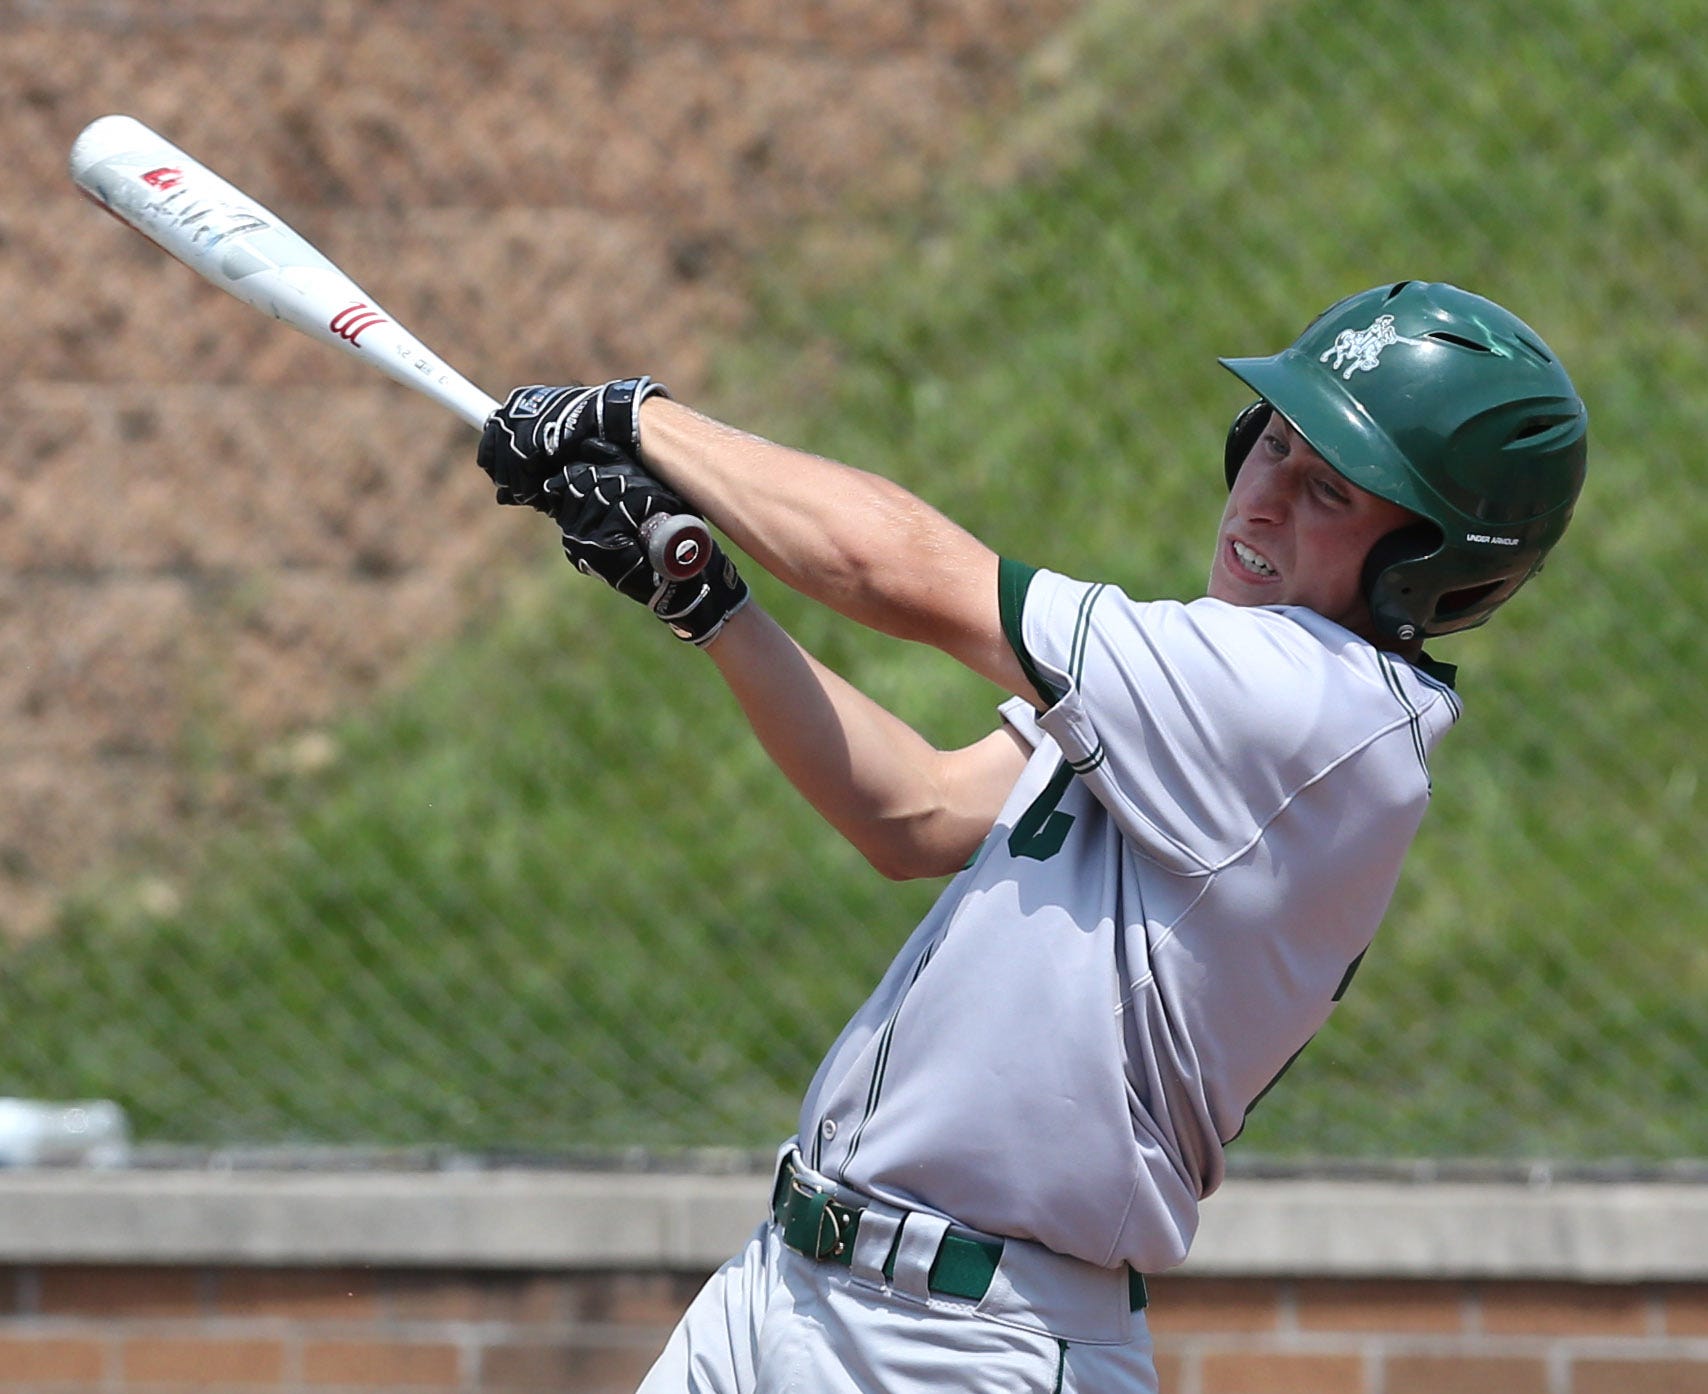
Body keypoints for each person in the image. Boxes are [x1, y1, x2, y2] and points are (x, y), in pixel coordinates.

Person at [475, 280, 1588, 1393]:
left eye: (1328, 490)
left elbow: (899, 572)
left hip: (963, 1344)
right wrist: (707, 601)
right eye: (1273, 447)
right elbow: (913, 811)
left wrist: (635, 420)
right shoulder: (1216, 697)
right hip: (784, 1287)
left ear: (1433, 563)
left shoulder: (1306, 708)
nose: (1262, 500)